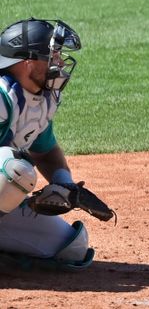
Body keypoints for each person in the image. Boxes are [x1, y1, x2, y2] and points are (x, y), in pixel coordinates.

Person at [0, 18, 98, 270]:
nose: (61, 62)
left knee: (71, 247)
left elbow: (44, 150)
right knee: (14, 170)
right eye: (52, 55)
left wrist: (63, 182)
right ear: (27, 62)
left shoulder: (39, 99)